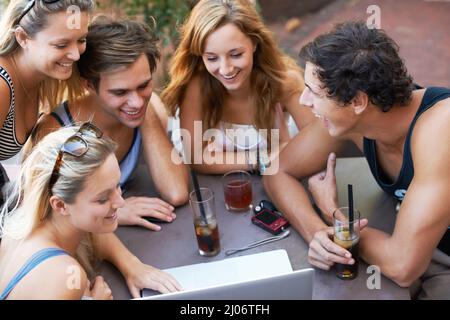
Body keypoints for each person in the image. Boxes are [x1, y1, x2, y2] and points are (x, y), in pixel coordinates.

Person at [263, 21, 450, 299]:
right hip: (413, 243)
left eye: (314, 92)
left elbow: (402, 265)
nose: (304, 101)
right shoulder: (356, 120)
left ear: (358, 101)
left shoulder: (440, 127)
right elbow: (278, 171)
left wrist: (334, 216)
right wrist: (320, 233)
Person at [34, 17, 189, 231]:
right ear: (89, 85)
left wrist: (146, 110)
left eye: (143, 85)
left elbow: (176, 192)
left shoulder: (149, 106)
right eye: (120, 92)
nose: (135, 101)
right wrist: (114, 210)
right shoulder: (57, 131)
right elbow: (40, 213)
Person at [0, 125, 181, 299]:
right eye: (102, 198)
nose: (120, 202)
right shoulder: (65, 277)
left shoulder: (28, 224)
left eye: (117, 186)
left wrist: (132, 266)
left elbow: (92, 234)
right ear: (61, 205)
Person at [161, 0, 314, 174]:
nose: (225, 69)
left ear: (255, 43)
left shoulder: (284, 82)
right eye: (212, 58)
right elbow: (196, 157)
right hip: (223, 185)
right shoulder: (197, 87)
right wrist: (262, 158)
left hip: (278, 179)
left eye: (235, 54)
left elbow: (317, 144)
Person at [0, 0, 94, 206]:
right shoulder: (2, 86)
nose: (76, 54)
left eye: (81, 40)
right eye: (61, 45)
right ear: (23, 38)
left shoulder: (42, 75)